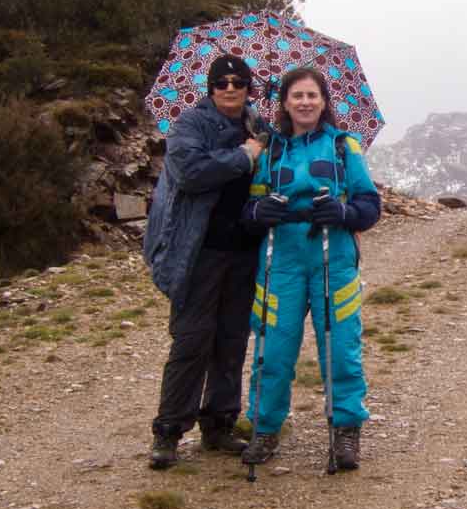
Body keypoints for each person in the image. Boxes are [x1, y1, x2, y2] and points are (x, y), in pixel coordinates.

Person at [241, 67, 381, 470]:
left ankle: (345, 432)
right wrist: (258, 211)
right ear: (284, 102)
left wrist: (342, 212)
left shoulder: (344, 147)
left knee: (340, 349)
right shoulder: (269, 150)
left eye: (312, 95)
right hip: (279, 262)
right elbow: (247, 211)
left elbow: (369, 206)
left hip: (331, 259)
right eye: (297, 95)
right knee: (274, 348)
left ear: (324, 102)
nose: (305, 102)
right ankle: (265, 430)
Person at [142, 55, 267, 470]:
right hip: (198, 253)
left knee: (231, 342)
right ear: (209, 87)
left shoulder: (260, 127)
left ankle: (219, 425)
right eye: (221, 81)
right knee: (192, 340)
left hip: (245, 252)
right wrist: (245, 156)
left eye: (238, 81)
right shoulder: (189, 125)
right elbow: (191, 172)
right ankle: (168, 432)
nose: (229, 88)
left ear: (250, 87)